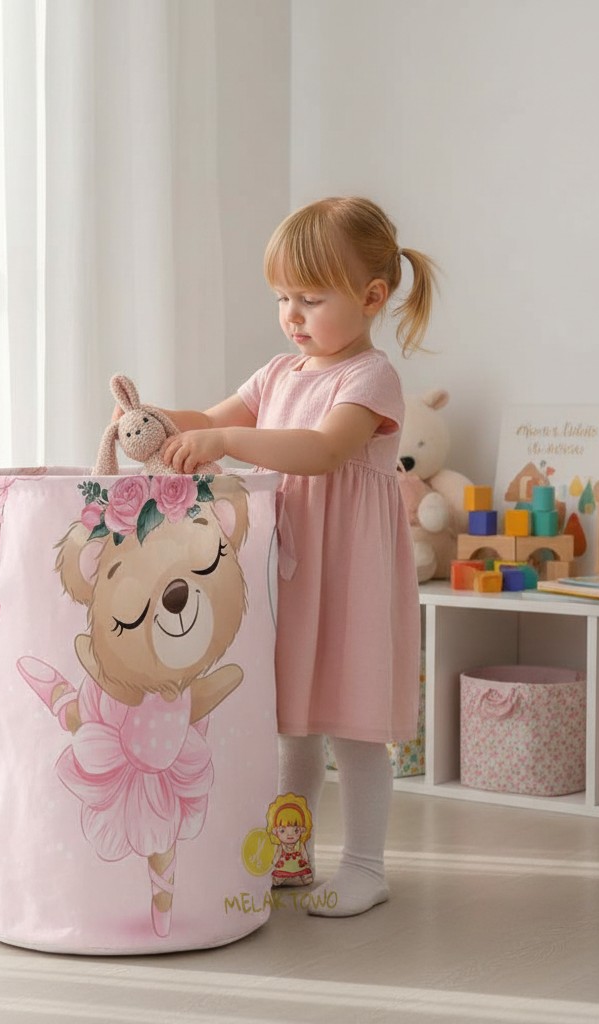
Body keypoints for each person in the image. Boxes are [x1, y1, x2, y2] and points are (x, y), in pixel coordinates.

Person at [156, 196, 431, 916]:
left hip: (351, 578)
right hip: (289, 573)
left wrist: (225, 443)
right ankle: (290, 851)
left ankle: (366, 865)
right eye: (283, 297)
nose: (292, 314)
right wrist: (152, 421)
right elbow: (206, 419)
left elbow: (323, 450)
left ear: (371, 297)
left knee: (354, 723)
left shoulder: (368, 378)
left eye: (311, 299)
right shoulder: (278, 374)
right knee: (293, 719)